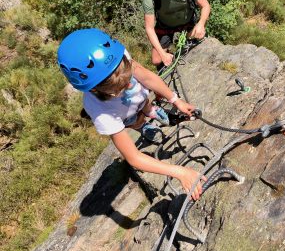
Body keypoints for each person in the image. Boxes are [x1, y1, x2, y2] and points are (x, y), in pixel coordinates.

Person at [57, 28, 205, 200]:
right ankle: (143, 126)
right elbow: (133, 157)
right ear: (95, 89)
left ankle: (152, 111)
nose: (129, 86)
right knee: (135, 121)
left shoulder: (116, 58)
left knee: (144, 104)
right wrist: (179, 172)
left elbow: (148, 78)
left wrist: (176, 100)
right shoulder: (99, 111)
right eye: (119, 88)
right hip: (126, 116)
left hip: (142, 100)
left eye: (129, 79)